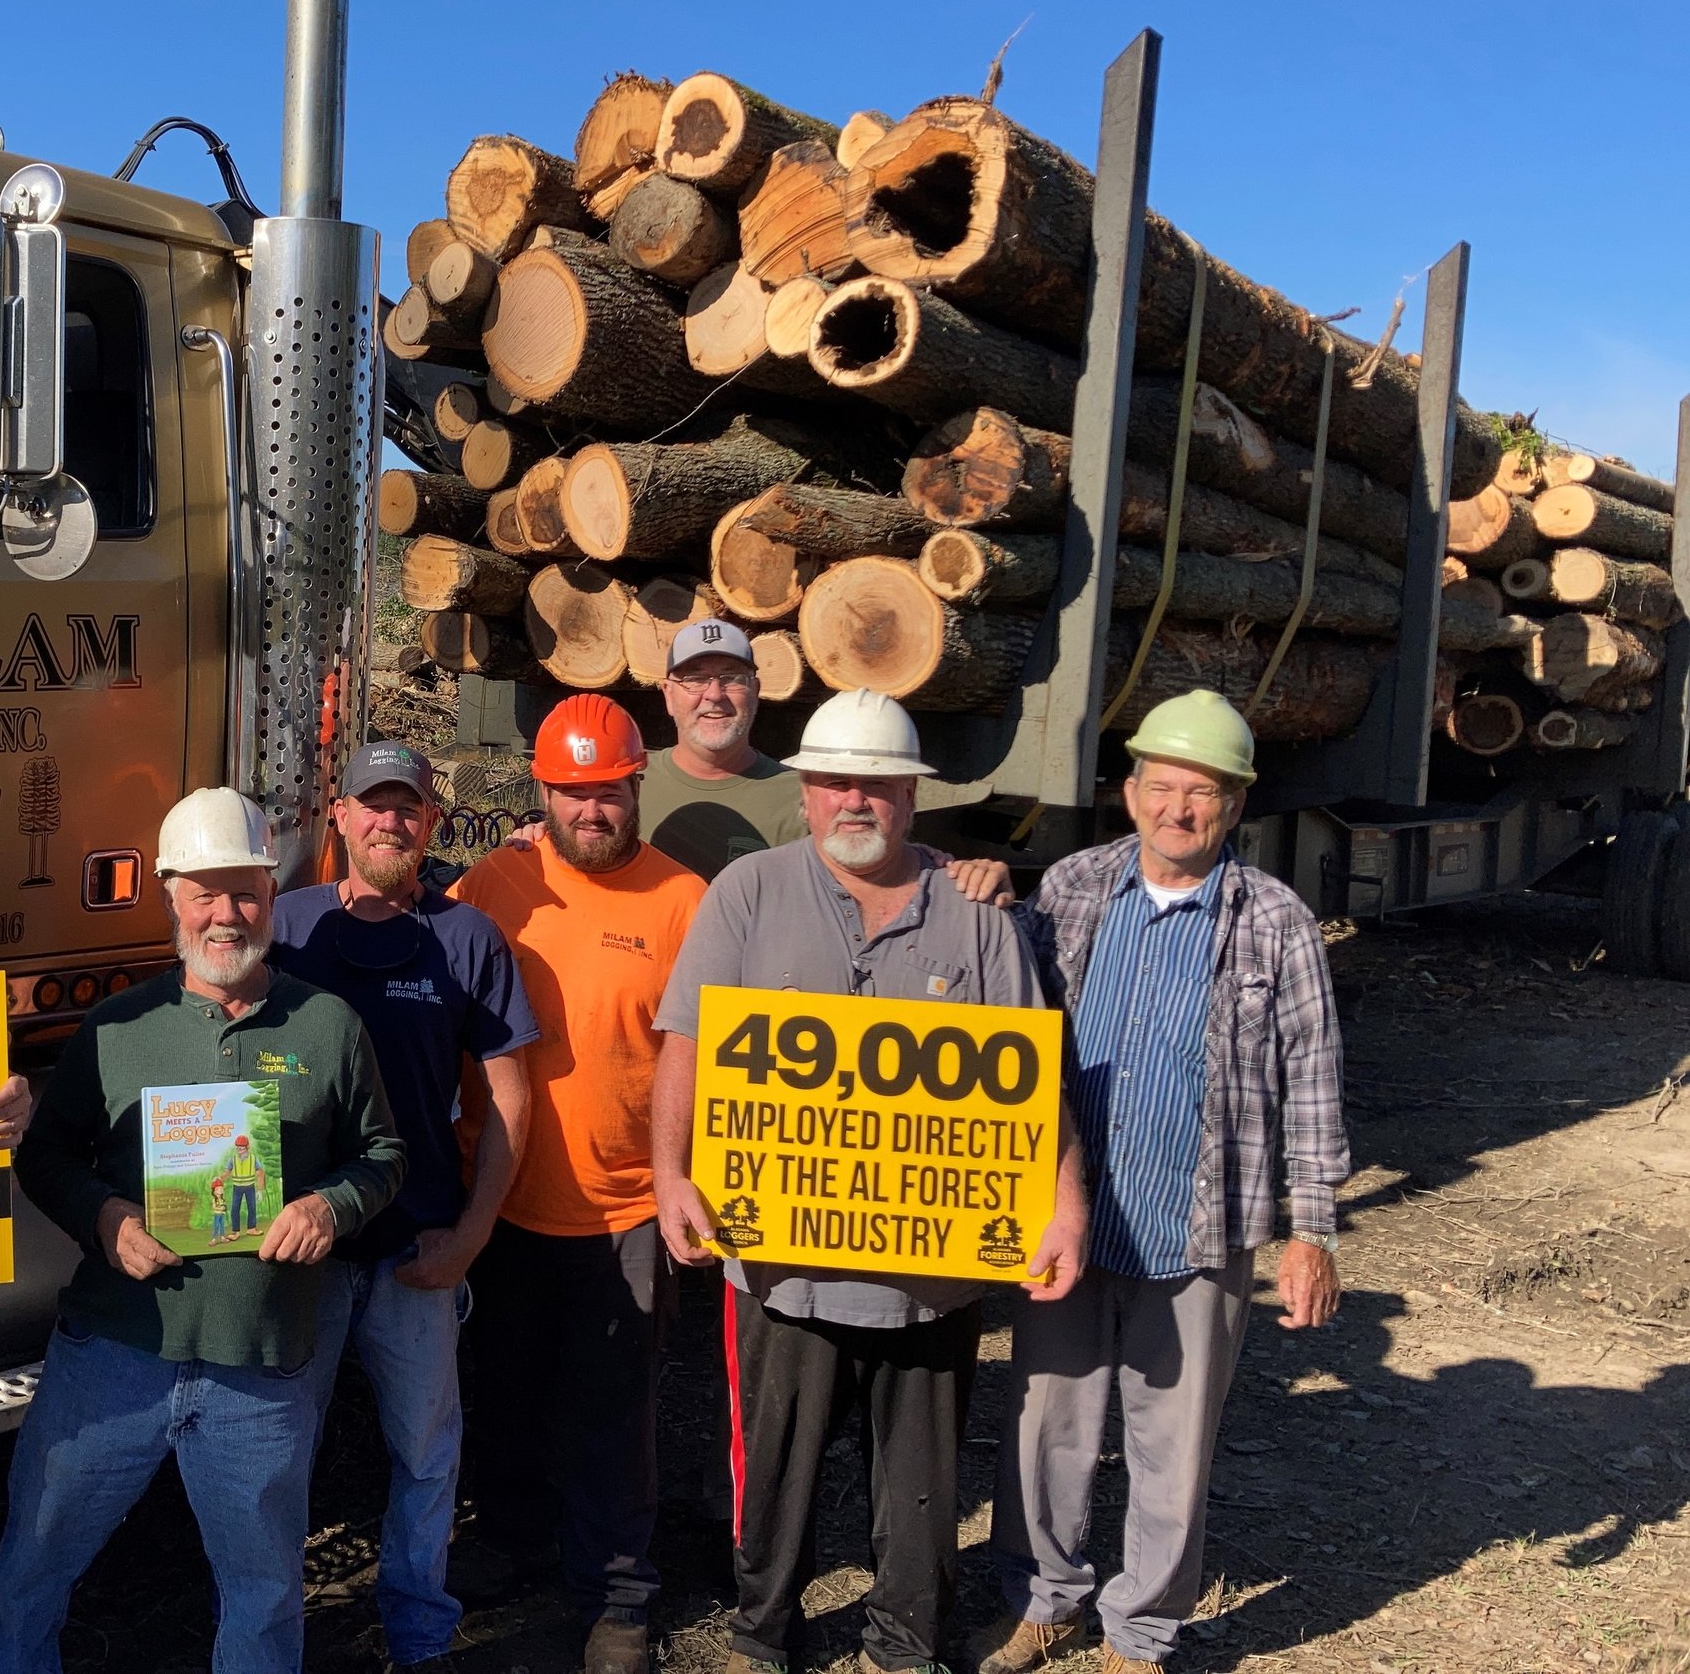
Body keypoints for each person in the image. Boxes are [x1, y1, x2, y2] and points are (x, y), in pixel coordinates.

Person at [649, 689, 1091, 1674]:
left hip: (928, 1278)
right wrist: (670, 1172)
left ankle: (906, 1646)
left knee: (922, 1487)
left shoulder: (977, 918)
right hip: (781, 1266)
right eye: (837, 782)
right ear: (805, 793)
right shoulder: (748, 894)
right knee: (776, 1475)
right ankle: (762, 1638)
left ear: (910, 796)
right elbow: (684, 1042)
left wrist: (1064, 1206)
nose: (857, 801)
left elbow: (1033, 1080)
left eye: (879, 785)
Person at [0, 787, 407, 1674]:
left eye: (244, 890)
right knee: (32, 1566)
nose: (225, 913)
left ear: (271, 893)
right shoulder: (117, 1027)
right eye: (203, 891)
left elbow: (384, 1153)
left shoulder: (327, 1026)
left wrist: (333, 1206)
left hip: (261, 1369)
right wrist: (103, 1215)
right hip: (114, 1353)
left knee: (263, 1595)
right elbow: (45, 1155)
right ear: (169, 894)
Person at [976, 693, 1347, 1674]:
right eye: (1162, 787)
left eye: (1202, 794)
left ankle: (1139, 1634)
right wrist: (960, 883)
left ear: (1232, 808)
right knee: (1047, 1421)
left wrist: (1312, 1230)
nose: (1177, 810)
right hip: (1067, 1217)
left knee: (1170, 1443)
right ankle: (1040, 1600)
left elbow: (1310, 1077)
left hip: (1197, 1223)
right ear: (1128, 789)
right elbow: (999, 1013)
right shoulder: (1068, 888)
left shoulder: (1273, 921)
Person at [448, 695, 706, 1674]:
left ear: (635, 786)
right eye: (571, 791)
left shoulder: (685, 899)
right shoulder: (490, 886)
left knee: (613, 1410)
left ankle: (618, 1595)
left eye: (607, 791)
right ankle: (508, 1540)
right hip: (502, 1200)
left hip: (625, 1208)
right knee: (503, 1387)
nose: (590, 809)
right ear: (542, 791)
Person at [275, 740, 537, 1674]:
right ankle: (271, 1636)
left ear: (431, 823)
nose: (390, 819)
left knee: (426, 1457)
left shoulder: (467, 938)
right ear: (338, 817)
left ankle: (419, 1636)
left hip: (415, 1252)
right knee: (276, 1457)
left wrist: (470, 1236)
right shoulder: (286, 927)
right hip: (296, 1251)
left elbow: (510, 1098)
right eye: (372, 803)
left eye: (408, 806)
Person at [638, 619, 810, 881]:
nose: (715, 695)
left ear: (755, 691)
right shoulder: (628, 784)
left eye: (731, 678)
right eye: (695, 679)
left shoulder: (801, 798)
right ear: (668, 695)